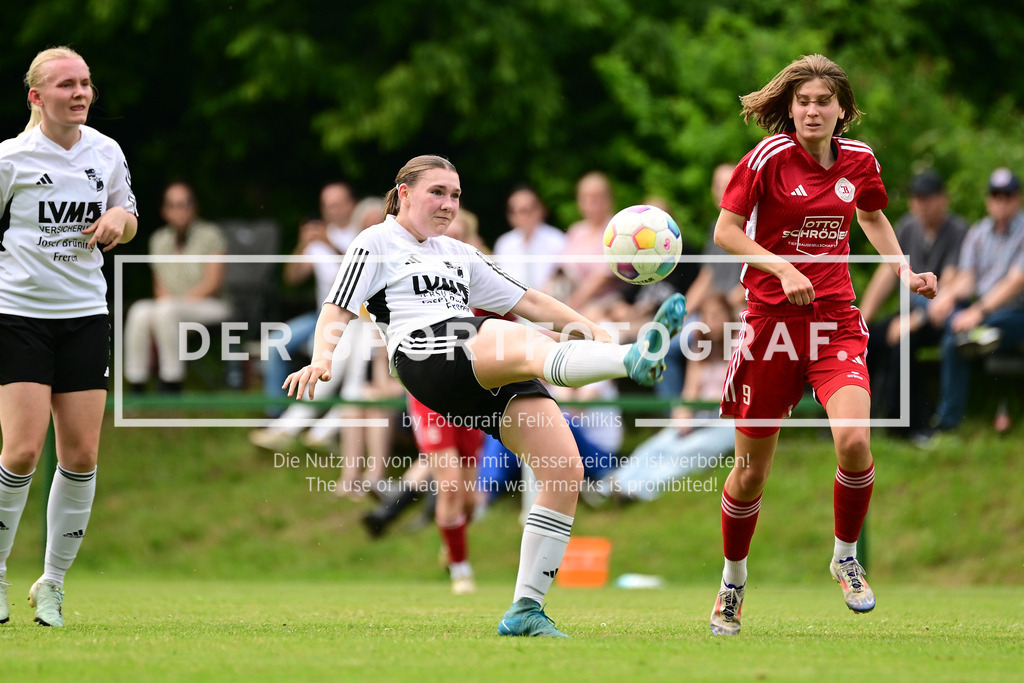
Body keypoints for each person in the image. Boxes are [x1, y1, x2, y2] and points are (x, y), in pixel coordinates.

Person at [283, 154, 687, 638]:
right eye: (437, 192)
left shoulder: (459, 254)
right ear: (405, 192)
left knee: (564, 468)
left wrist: (596, 332)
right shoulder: (376, 241)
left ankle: (525, 610)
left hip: (477, 361)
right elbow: (337, 307)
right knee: (512, 336)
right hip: (425, 355)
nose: (449, 203)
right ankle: (631, 360)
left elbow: (533, 302)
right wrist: (323, 358)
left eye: (455, 195)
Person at [708, 55, 938, 636]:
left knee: (856, 441)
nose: (813, 110)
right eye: (803, 101)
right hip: (769, 327)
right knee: (750, 476)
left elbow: (874, 216)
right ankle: (732, 582)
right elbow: (726, 232)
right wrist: (782, 269)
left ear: (842, 110)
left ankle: (845, 556)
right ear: (790, 107)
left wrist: (905, 271)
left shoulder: (859, 160)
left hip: (833, 321)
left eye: (823, 102)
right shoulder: (765, 160)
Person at [0, 46, 138, 627]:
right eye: (66, 85)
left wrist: (116, 222)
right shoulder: (11, 158)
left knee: (80, 455)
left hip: (85, 316)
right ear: (37, 97)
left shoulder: (104, 151)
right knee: (23, 451)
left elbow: (128, 216)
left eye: (85, 84)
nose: (80, 93)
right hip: (19, 316)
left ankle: (52, 583)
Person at [857, 169, 968, 437]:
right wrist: (861, 319)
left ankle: (909, 426)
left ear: (943, 199)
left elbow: (949, 287)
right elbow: (885, 274)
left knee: (904, 343)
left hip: (944, 315)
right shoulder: (907, 227)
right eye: (917, 198)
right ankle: (855, 420)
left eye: (928, 198)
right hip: (907, 315)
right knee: (862, 340)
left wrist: (914, 319)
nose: (922, 204)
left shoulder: (958, 231)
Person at [926, 167, 1024, 433]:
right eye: (996, 195)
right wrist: (946, 297)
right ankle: (945, 423)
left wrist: (977, 313)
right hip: (982, 311)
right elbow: (968, 279)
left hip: (1015, 313)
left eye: (1008, 195)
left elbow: (1016, 282)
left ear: (1018, 199)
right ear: (988, 199)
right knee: (948, 329)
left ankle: (947, 421)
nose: (1001, 201)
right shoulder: (978, 233)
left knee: (964, 329)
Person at [123, 181, 229, 393]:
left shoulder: (211, 235)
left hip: (210, 304)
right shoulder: (159, 240)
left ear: (194, 207)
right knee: (139, 311)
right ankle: (137, 382)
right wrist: (172, 304)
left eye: (184, 204)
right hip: (170, 307)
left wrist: (178, 304)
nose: (179, 210)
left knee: (166, 310)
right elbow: (159, 286)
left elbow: (213, 283)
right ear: (165, 210)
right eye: (173, 205)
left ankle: (171, 382)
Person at [493, 185, 566, 292]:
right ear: (511, 216)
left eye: (529, 210)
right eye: (520, 211)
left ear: (540, 210)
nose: (525, 216)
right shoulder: (504, 243)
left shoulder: (556, 240)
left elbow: (566, 275)